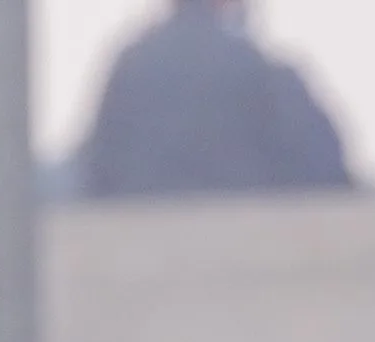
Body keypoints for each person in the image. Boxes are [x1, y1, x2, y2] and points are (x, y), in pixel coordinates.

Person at [78, 0, 354, 198]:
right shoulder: (263, 73)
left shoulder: (130, 69)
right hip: (249, 240)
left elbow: (95, 174)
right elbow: (329, 176)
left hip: (142, 246)